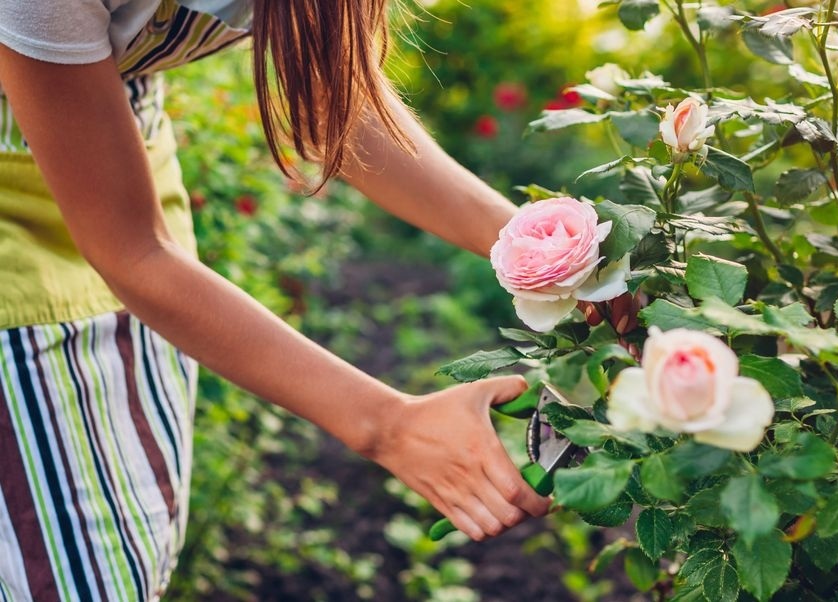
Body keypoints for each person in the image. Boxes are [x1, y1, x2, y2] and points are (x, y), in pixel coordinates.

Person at [0, 1, 551, 599]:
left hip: (119, 175)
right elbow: (132, 253)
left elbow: (341, 109)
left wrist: (545, 255)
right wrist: (389, 425)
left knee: (132, 539)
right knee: (75, 574)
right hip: (70, 243)